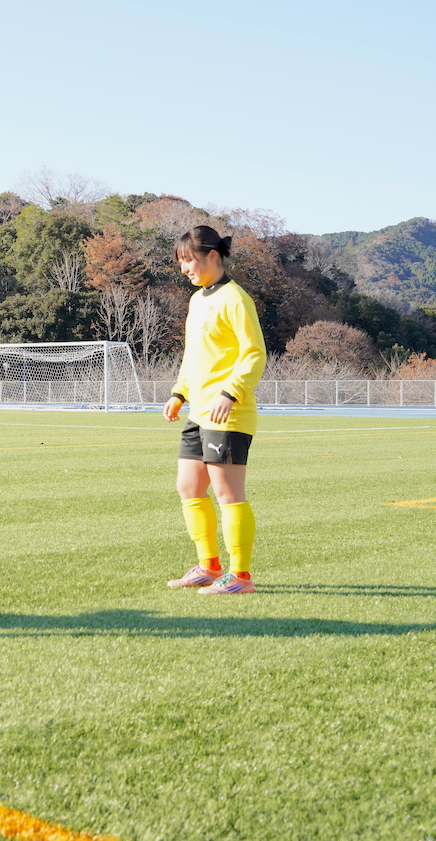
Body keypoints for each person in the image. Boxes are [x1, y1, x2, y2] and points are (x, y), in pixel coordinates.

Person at [162, 225, 267, 594]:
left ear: (212, 256)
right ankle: (209, 566)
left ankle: (240, 577)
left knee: (227, 494)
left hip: (229, 413)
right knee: (189, 486)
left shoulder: (236, 299)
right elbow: (194, 356)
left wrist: (231, 393)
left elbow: (254, 353)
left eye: (189, 261)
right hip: (199, 412)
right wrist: (179, 391)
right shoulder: (197, 300)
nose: (184, 269)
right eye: (181, 263)